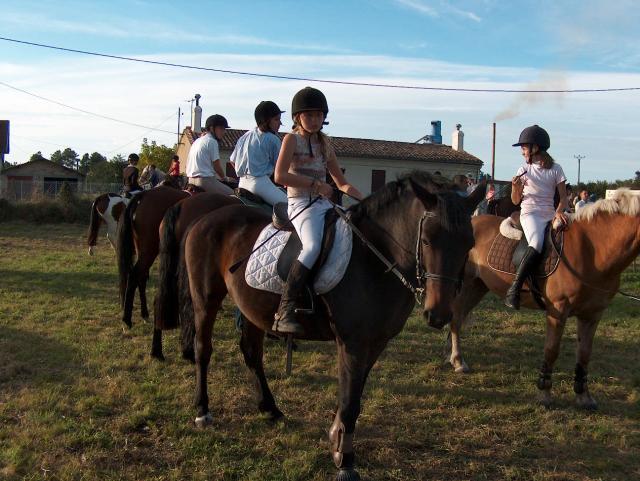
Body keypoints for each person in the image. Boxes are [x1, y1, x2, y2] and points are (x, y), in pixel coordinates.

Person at [271, 86, 364, 335]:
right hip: (300, 204)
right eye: (309, 115)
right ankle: (285, 309)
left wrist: (364, 200)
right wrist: (315, 185)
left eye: (318, 115)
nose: (314, 120)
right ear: (297, 118)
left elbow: (341, 182)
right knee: (311, 247)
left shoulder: (326, 144)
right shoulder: (291, 139)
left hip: (324, 204)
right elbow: (280, 176)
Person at [506, 125, 568, 310]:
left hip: (549, 212)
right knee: (537, 243)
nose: (522, 152)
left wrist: (558, 211)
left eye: (524, 148)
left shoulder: (556, 169)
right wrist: (515, 188)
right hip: (530, 213)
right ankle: (514, 290)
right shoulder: (523, 170)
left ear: (535, 148)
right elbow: (516, 201)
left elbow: (563, 198)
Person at [230, 100, 287, 206]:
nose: (280, 123)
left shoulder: (244, 136)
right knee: (291, 208)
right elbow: (282, 168)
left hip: (242, 183)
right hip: (260, 184)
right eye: (276, 119)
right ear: (266, 121)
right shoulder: (273, 139)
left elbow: (232, 160)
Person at [185, 114, 234, 195]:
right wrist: (225, 178)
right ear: (212, 128)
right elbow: (217, 167)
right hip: (205, 182)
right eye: (221, 128)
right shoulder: (212, 141)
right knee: (235, 197)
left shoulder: (197, 141)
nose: (224, 132)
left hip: (190, 181)